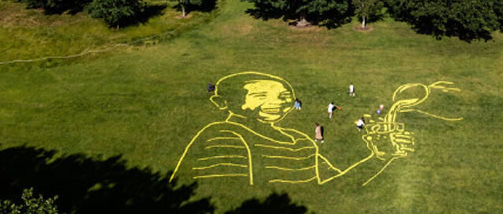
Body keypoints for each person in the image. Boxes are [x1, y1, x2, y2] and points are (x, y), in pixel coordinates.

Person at [170, 72, 409, 186]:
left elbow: (329, 176)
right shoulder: (223, 135)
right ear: (225, 102)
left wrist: (380, 154)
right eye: (262, 94)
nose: (277, 102)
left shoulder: (295, 138)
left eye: (284, 96)